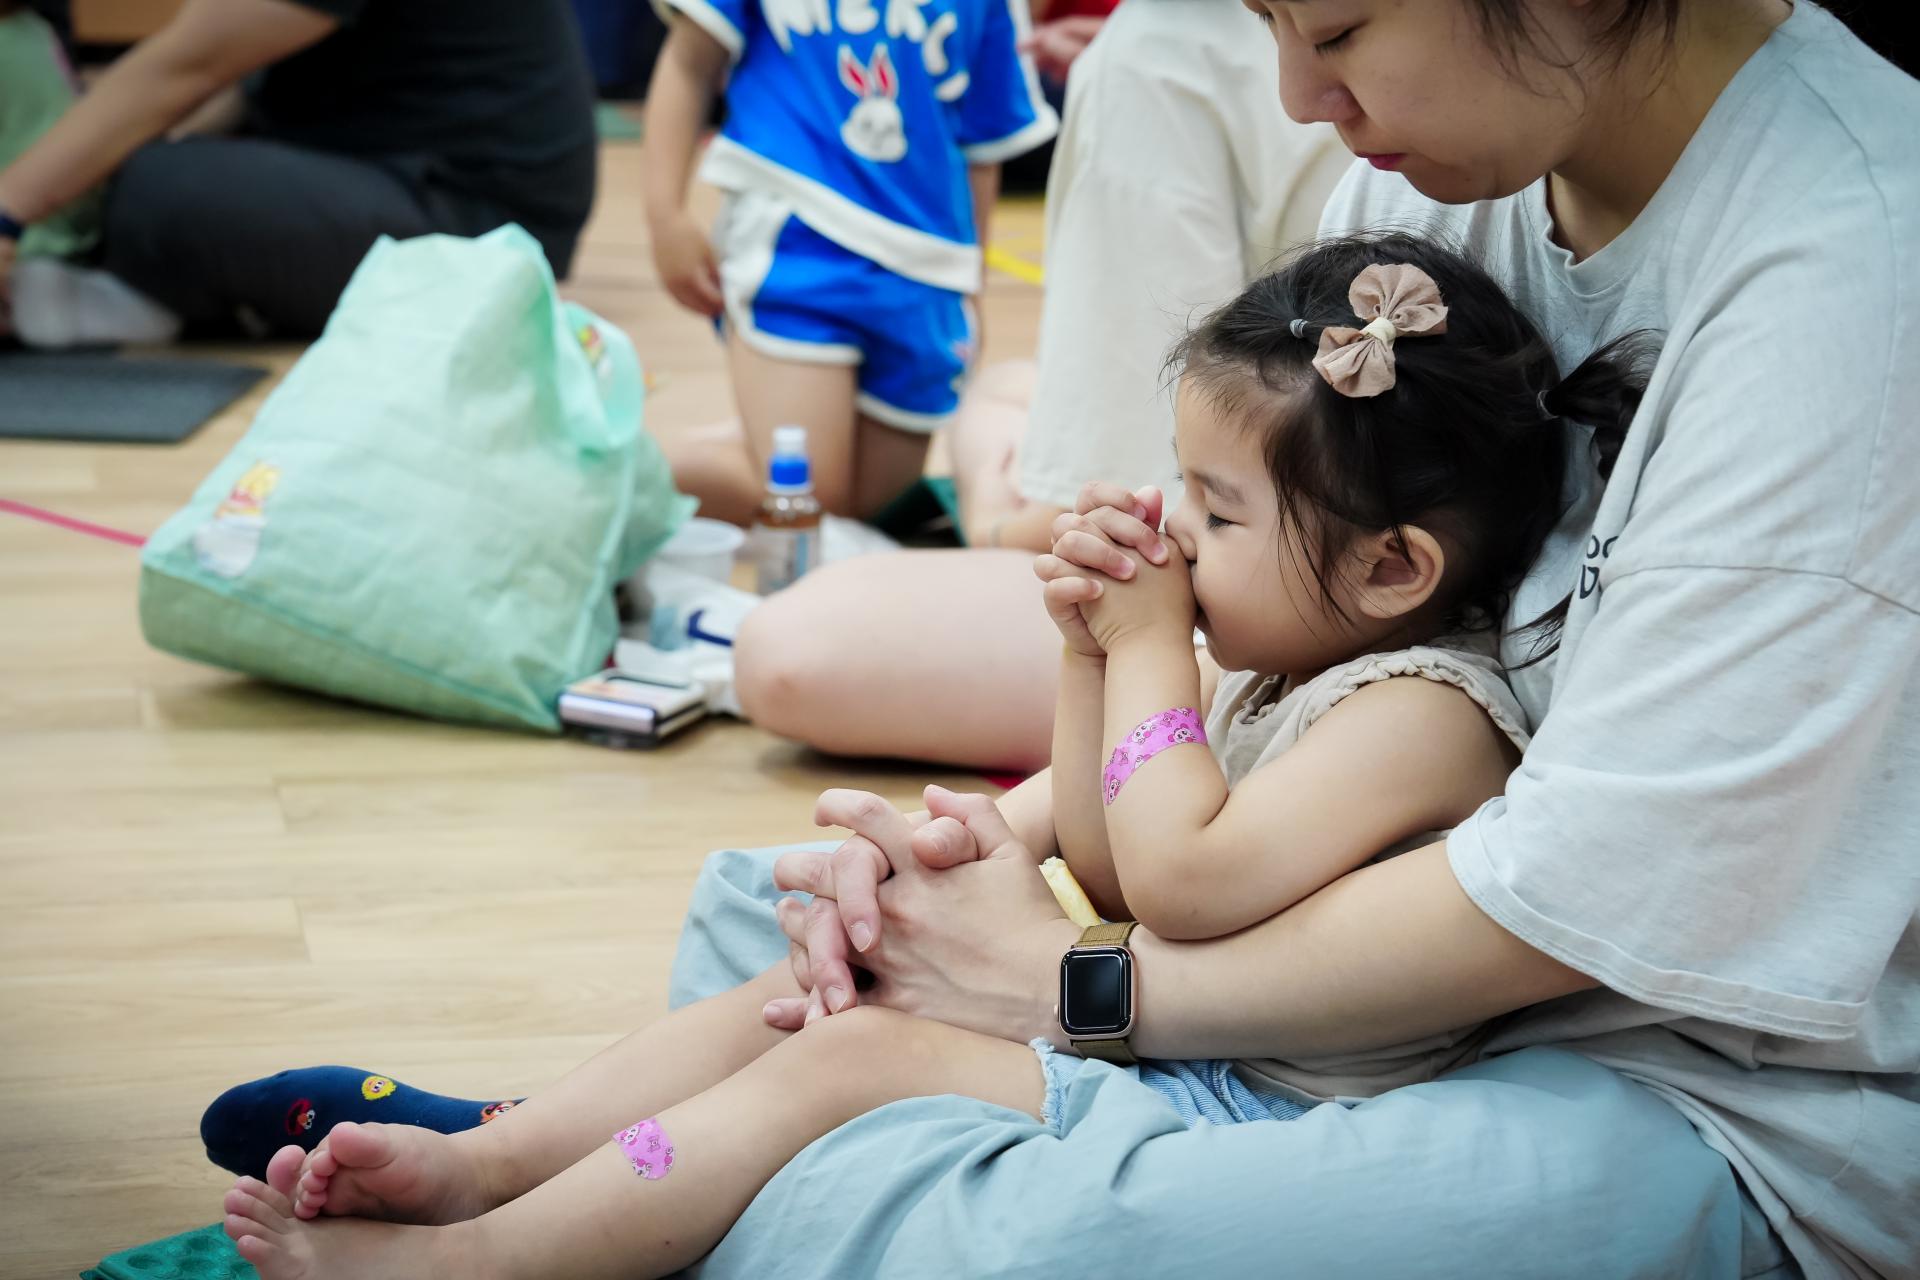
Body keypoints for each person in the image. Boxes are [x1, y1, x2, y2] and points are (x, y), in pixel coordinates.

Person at [214, 232, 1652, 1279]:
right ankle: (494, 1160)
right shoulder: (1298, 663)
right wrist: (1090, 655)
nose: (1176, 531)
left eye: (1219, 516)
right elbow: (1108, 861)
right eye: (1182, 489)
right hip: (1177, 1042)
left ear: (1395, 569)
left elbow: (1184, 884)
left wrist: (1152, 648)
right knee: (807, 992)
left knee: (846, 1055)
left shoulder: (1424, 710)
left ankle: (473, 1266)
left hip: (1250, 1097)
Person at [731, 0, 1349, 770]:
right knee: (998, 395)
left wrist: (992, 524)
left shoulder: (1159, 55)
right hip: (1292, 509)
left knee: (784, 644)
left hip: (1264, 594)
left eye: (1337, 40)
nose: (1303, 90)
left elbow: (1139, 509)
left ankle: (990, 509)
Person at [645, 0, 1057, 524]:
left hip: (927, 267)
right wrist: (665, 215)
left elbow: (983, 142)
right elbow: (689, 61)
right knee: (811, 496)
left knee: (873, 511)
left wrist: (969, 286)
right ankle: (614, 472)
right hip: (799, 235)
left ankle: (733, 442)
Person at [0, 0, 595, 344]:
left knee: (160, 190)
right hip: (406, 178)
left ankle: (130, 297)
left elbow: (190, 66)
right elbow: (233, 82)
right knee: (132, 168)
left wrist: (11, 212)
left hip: (474, 227)